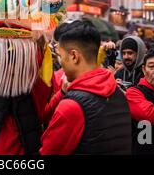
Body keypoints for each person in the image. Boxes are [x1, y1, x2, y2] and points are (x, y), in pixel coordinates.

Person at [40, 20, 132, 155]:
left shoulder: (71, 107)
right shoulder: (119, 92)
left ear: (74, 56)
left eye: (61, 56)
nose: (61, 63)